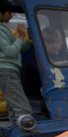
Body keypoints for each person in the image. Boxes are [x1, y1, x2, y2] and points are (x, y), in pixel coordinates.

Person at [0, 0, 35, 130]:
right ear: (1, 13)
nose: (12, 16)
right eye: (9, 13)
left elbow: (19, 48)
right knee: (22, 107)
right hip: (6, 69)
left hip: (10, 69)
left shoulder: (5, 29)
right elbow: (10, 51)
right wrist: (20, 37)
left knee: (13, 103)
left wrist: (29, 40)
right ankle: (24, 131)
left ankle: (14, 130)